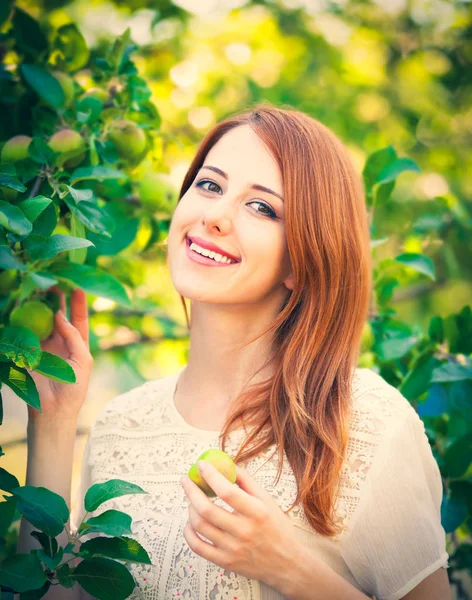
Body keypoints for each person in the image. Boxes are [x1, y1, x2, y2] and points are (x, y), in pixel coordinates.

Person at [18, 103, 451, 600]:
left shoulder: (363, 423)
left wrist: (290, 569)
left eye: (262, 207)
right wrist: (50, 424)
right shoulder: (122, 423)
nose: (216, 216)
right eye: (209, 185)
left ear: (302, 261)